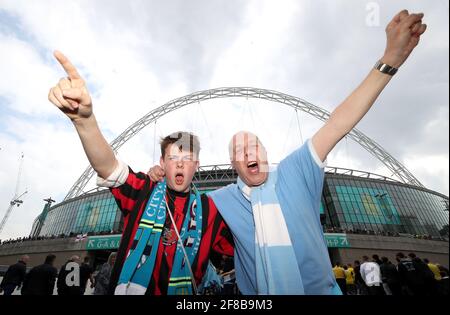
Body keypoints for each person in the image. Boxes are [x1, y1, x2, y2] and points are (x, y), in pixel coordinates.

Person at [148, 10, 427, 294]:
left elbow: (338, 123)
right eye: (239, 151)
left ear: (266, 152)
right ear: (234, 164)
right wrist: (160, 177)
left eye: (253, 145)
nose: (247, 153)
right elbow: (180, 207)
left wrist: (390, 60)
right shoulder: (222, 199)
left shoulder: (296, 171)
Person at [48, 48, 235, 295]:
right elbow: (108, 166)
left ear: (197, 165)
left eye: (187, 158)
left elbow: (244, 249)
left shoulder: (210, 210)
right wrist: (84, 122)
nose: (179, 164)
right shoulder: (143, 190)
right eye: (173, 157)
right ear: (162, 162)